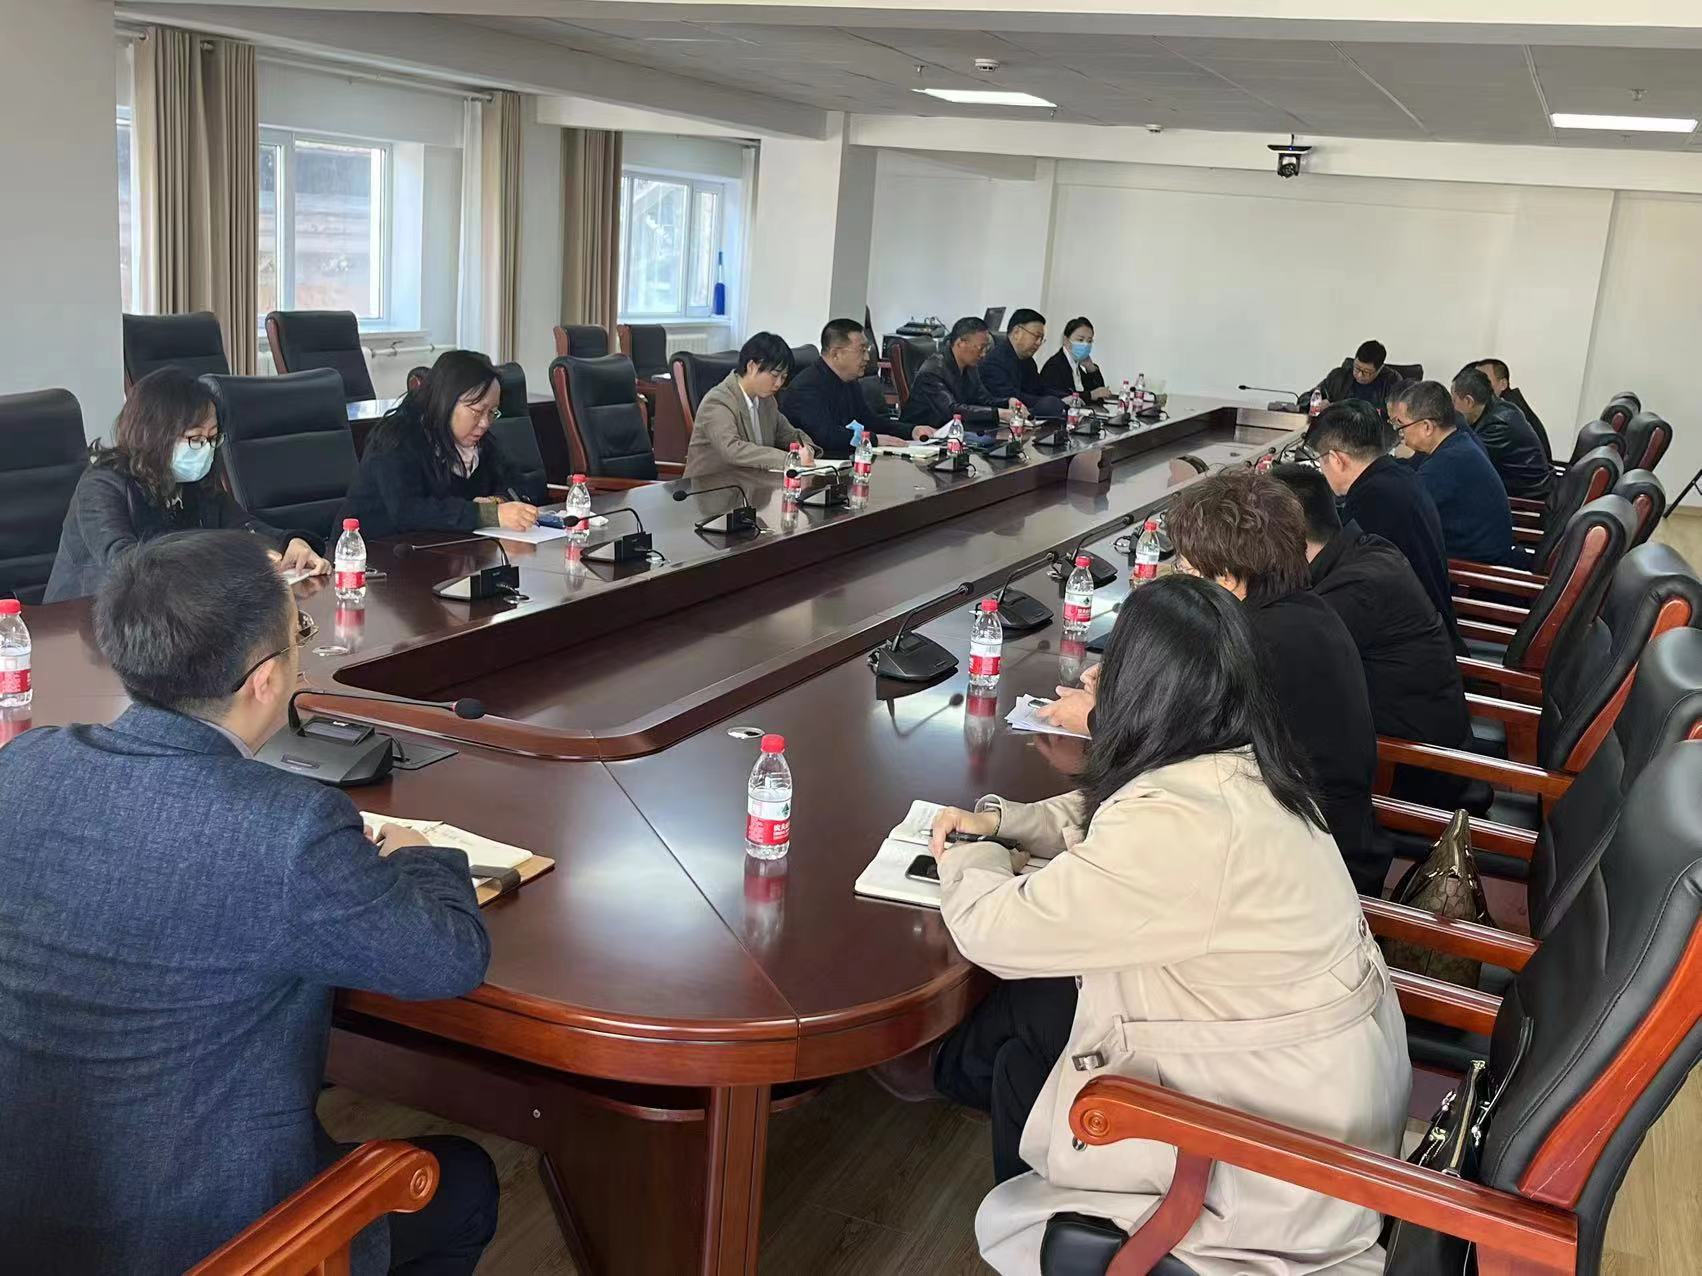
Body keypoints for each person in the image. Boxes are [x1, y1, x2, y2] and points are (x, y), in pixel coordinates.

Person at [0, 532, 497, 1276]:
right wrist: (418, 853)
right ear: (265, 680)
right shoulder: (288, 828)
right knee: (464, 1183)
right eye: (300, 634)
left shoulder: (24, 766)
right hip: (204, 1244)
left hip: (20, 1211)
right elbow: (450, 958)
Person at [926, 574, 1409, 1275]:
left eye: (1111, 669)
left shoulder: (1187, 824)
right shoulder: (1250, 771)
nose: (1095, 681)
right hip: (1315, 1108)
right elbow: (1114, 824)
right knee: (1029, 1048)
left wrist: (969, 853)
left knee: (1026, 1025)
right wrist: (1008, 822)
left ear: (1143, 688)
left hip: (1264, 1166)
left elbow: (996, 932)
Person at [1167, 469, 1385, 892]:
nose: (1178, 577)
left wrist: (1094, 715)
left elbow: (1174, 750)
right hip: (1324, 839)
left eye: (1185, 568)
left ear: (1227, 577)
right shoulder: (1305, 609)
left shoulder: (1254, 642)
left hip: (1303, 873)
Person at [1271, 464, 1475, 810]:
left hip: (1408, 772)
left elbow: (1273, 668)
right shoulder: (1365, 551)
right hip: (1414, 745)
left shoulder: (1354, 591)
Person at [43, 368, 327, 603]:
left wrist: (289, 543)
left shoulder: (194, 481)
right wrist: (225, 558)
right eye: (195, 438)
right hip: (84, 622)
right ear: (155, 435)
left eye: (212, 438)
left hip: (173, 615)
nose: (205, 449)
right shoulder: (102, 485)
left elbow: (244, 527)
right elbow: (127, 566)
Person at [1305, 400, 1463, 651]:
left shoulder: (1373, 500)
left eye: (1320, 461)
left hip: (1409, 649)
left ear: (1336, 459)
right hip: (1429, 629)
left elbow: (1340, 582)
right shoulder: (1398, 477)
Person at [339, 349, 544, 540]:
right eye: (477, 411)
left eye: (492, 412)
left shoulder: (480, 443)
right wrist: (487, 514)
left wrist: (498, 501)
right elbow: (408, 511)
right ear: (447, 401)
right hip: (370, 553)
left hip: (443, 551)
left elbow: (522, 483)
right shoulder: (397, 438)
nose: (485, 423)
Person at [1392, 379, 1518, 567]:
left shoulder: (1447, 463)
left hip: (1473, 572)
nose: (1399, 433)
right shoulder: (1458, 443)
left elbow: (1402, 513)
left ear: (1427, 427)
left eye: (1401, 425)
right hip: (1477, 556)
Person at [685, 331, 817, 477]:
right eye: (774, 375)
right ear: (752, 366)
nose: (778, 384)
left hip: (752, 484)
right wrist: (789, 459)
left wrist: (807, 448)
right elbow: (732, 450)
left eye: (783, 377)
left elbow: (789, 434)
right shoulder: (718, 401)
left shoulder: (767, 401)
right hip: (712, 486)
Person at [898, 315, 1020, 437]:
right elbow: (951, 410)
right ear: (961, 343)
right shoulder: (932, 371)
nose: (983, 354)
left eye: (986, 348)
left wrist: (1008, 402)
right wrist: (998, 413)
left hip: (955, 432)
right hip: (923, 437)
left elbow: (983, 400)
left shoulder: (970, 367)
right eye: (981, 348)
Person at [777, 318, 879, 458]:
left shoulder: (849, 380)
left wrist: (908, 432)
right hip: (817, 463)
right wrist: (871, 438)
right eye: (861, 350)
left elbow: (868, 420)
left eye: (867, 350)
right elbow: (826, 436)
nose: (867, 357)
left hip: (843, 459)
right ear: (836, 354)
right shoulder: (807, 386)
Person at [1452, 366, 1551, 499]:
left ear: (1469, 401)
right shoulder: (1497, 407)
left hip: (1526, 497)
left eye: (1454, 401)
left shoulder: (1499, 424)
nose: (1451, 408)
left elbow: (1464, 460)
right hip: (1516, 487)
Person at [978, 308, 1066, 417]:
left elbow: (1040, 388)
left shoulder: (1028, 361)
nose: (1038, 343)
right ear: (1016, 332)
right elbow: (1010, 396)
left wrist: (1064, 397)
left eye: (1041, 339)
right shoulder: (994, 361)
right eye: (1036, 336)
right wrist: (1050, 402)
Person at [1474, 357, 1552, 463]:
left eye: (1483, 381)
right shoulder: (1509, 403)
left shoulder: (1506, 413)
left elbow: (1477, 452)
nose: (1475, 386)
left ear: (1503, 384)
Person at [1311, 339, 1401, 413]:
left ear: (1380, 369)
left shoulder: (1392, 382)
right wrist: (1317, 404)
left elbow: (1398, 416)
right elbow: (1309, 397)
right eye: (1357, 368)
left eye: (1366, 372)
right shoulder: (1339, 376)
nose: (1359, 375)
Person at [1038, 316, 1114, 403]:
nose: (1085, 345)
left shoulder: (1076, 365)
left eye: (1089, 341)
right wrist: (1090, 395)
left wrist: (1092, 369)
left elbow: (1100, 394)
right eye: (1080, 340)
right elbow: (1061, 397)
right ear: (1066, 340)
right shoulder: (1054, 366)